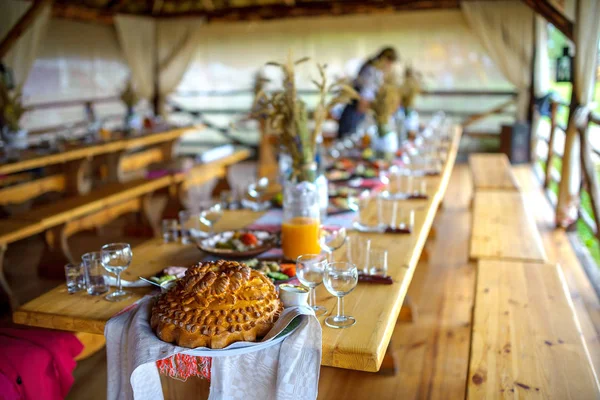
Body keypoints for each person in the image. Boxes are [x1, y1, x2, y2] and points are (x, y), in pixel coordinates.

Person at [337, 47, 399, 137]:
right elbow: (363, 103)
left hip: (356, 111)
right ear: (386, 60)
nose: (390, 67)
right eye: (390, 64)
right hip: (354, 112)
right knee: (348, 141)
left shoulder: (372, 69)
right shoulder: (372, 71)